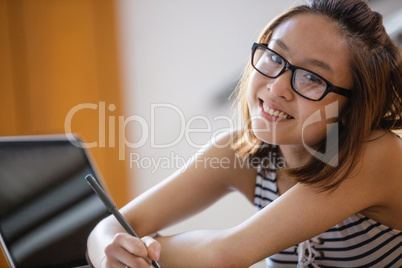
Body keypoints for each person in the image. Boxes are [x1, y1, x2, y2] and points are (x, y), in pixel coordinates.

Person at [87, 0, 402, 267]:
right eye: (275, 58)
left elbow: (226, 253)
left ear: (353, 106)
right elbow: (108, 227)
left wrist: (137, 253)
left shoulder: (374, 155)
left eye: (310, 78)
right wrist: (109, 253)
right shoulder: (241, 151)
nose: (277, 87)